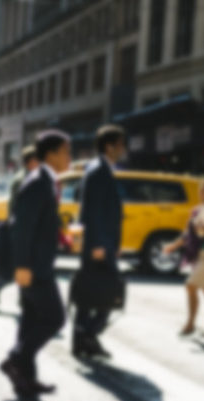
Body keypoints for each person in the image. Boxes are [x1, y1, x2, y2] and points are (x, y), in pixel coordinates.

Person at [0, 130, 70, 399]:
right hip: (34, 267)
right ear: (50, 154)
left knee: (30, 322)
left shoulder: (45, 181)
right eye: (65, 151)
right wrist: (22, 266)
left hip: (37, 264)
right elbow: (22, 228)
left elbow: (38, 226)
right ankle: (15, 360)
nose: (69, 157)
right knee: (55, 318)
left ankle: (25, 380)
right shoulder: (37, 182)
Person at [72, 125, 124, 360]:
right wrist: (99, 245)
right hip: (99, 244)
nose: (123, 150)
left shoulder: (100, 169)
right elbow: (91, 212)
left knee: (89, 293)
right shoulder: (98, 171)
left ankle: (82, 340)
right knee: (110, 291)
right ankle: (89, 334)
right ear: (108, 146)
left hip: (102, 243)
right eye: (120, 145)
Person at [164, 179, 204, 338]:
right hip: (199, 255)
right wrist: (173, 245)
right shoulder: (196, 210)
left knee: (190, 286)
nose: (201, 192)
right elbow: (187, 234)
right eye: (201, 189)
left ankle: (190, 324)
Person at [0, 145, 40, 305]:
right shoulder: (24, 179)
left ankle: (0, 285)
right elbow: (19, 207)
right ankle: (22, 298)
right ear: (30, 161)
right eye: (39, 160)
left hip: (23, 228)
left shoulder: (27, 177)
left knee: (23, 265)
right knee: (25, 264)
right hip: (22, 229)